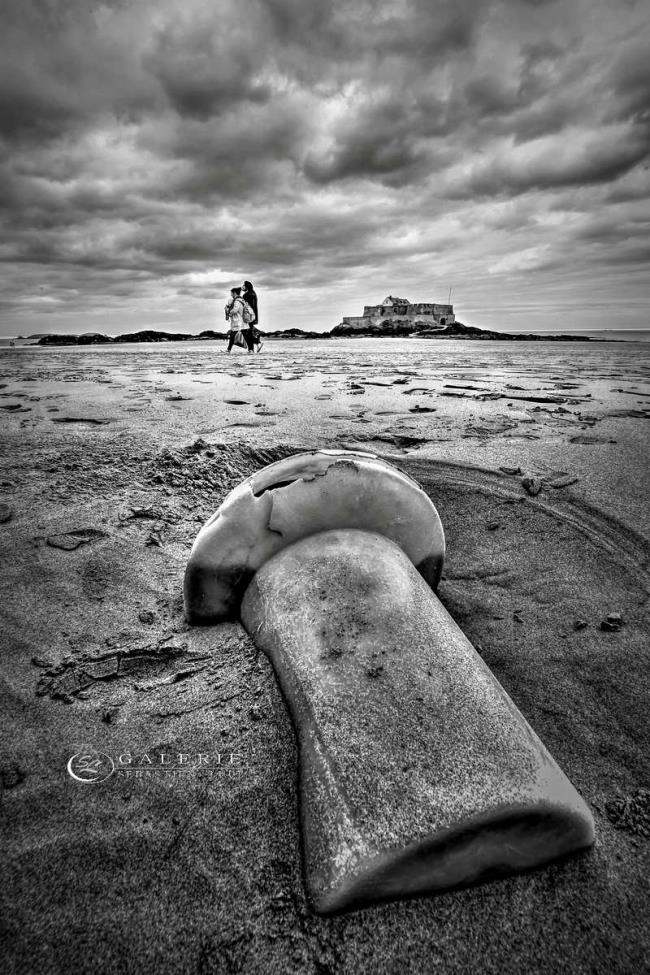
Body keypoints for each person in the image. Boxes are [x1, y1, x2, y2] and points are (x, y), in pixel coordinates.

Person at [241, 280, 263, 353]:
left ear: (246, 287)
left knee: (245, 331)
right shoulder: (254, 294)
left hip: (248, 316)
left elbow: (244, 307)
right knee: (250, 332)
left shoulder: (246, 295)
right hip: (254, 316)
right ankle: (253, 346)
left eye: (243, 285)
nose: (242, 287)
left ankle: (253, 346)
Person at [225, 287, 246, 353]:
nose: (231, 294)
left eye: (231, 293)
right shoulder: (241, 300)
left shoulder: (237, 301)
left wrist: (229, 312)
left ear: (234, 293)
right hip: (239, 321)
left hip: (237, 321)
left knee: (233, 335)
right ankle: (228, 349)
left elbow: (235, 310)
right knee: (239, 335)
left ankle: (228, 350)